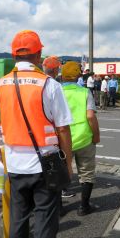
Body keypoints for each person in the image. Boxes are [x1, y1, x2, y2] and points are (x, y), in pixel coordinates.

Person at [0, 30, 73, 238]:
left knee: (18, 220)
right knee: (45, 223)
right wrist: (68, 165)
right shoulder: (50, 85)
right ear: (38, 54)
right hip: (46, 164)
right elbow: (63, 130)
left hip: (14, 166)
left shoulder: (0, 85)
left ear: (14, 55)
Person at [61, 61, 100, 216]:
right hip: (84, 138)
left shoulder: (55, 91)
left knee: (60, 173)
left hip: (62, 140)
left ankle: (59, 209)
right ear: (78, 75)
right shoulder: (84, 92)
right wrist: (96, 135)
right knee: (86, 173)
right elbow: (90, 116)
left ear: (62, 75)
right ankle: (84, 207)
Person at [42, 56, 76, 199]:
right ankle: (62, 193)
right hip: (51, 143)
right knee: (54, 176)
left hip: (23, 149)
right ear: (56, 70)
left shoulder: (35, 83)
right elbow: (62, 128)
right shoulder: (53, 86)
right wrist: (68, 163)